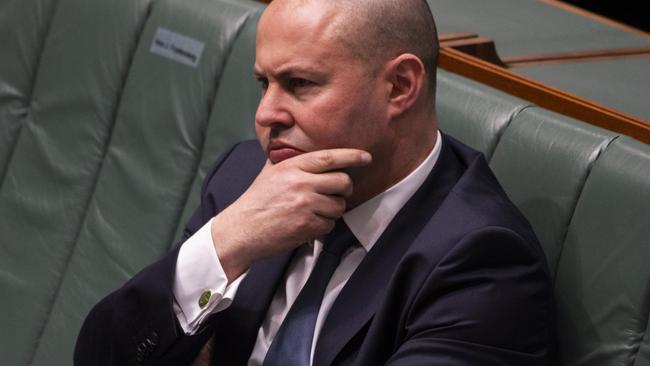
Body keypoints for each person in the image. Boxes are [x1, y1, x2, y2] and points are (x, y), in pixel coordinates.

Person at [75, 0, 556, 364]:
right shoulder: (250, 181)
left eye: (301, 84)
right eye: (265, 83)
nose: (266, 115)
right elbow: (101, 354)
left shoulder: (483, 262)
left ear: (400, 87)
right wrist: (225, 243)